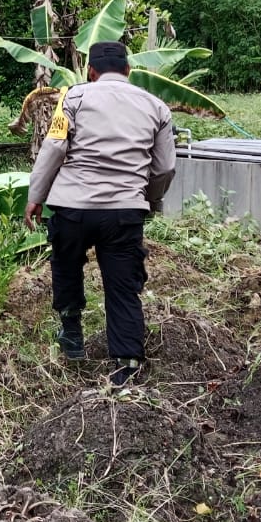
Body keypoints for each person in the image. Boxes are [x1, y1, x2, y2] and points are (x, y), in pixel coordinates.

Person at [24, 40, 177, 386]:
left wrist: (36, 195)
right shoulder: (156, 107)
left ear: (91, 72)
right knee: (123, 286)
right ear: (128, 70)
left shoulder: (74, 98)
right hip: (123, 212)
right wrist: (149, 200)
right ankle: (126, 365)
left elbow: (54, 147)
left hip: (73, 208)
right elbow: (165, 168)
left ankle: (72, 335)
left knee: (66, 264)